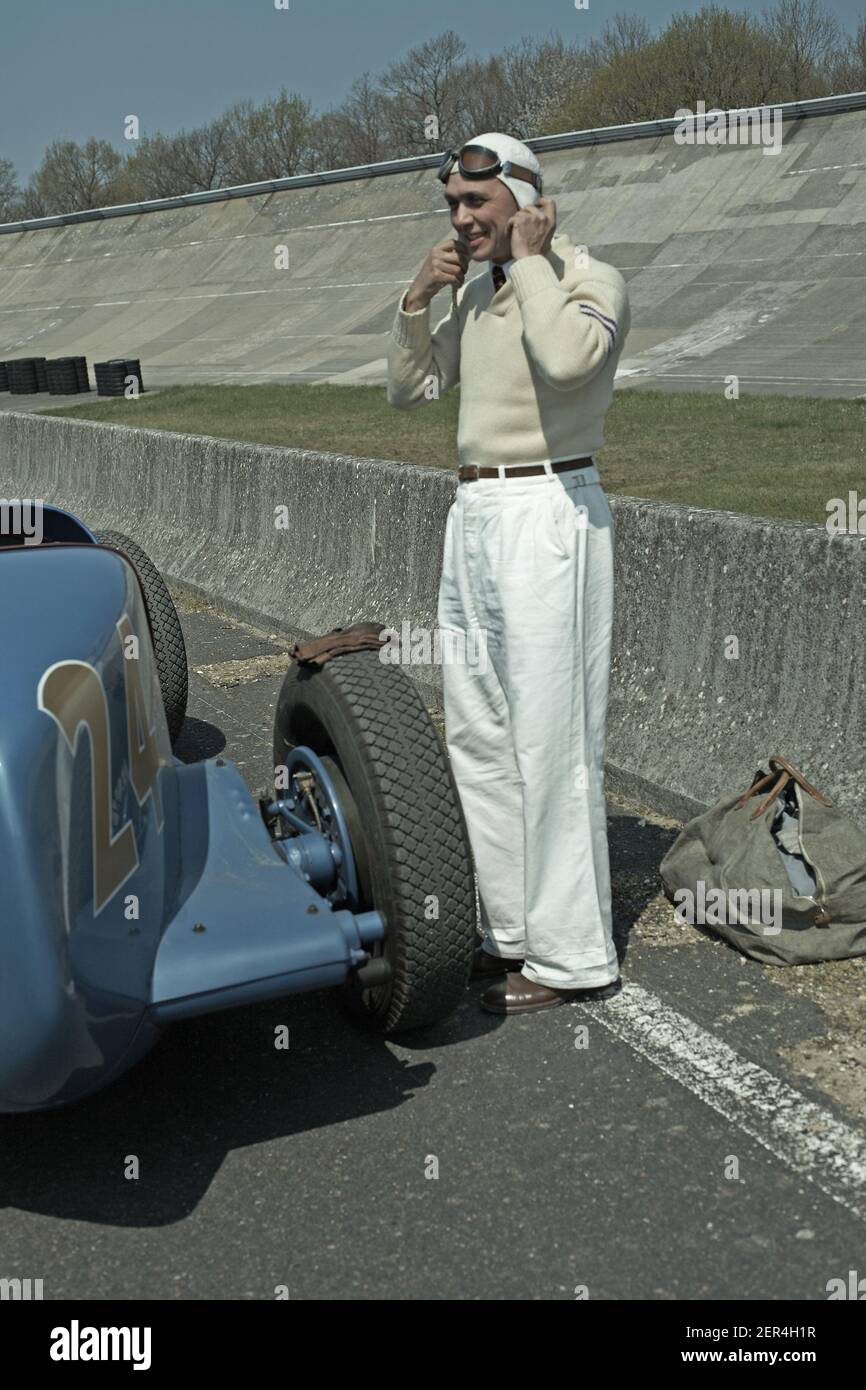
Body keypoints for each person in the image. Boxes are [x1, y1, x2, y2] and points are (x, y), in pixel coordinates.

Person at [386, 133, 629, 1015]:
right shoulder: (479, 295)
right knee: (481, 736)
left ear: (524, 200)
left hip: (551, 510)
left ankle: (573, 958)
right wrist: (419, 299)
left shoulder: (588, 280)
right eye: (451, 204)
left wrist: (528, 261)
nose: (461, 218)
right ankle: (510, 929)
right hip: (477, 514)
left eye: (475, 205)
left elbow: (569, 360)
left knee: (552, 741)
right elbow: (411, 390)